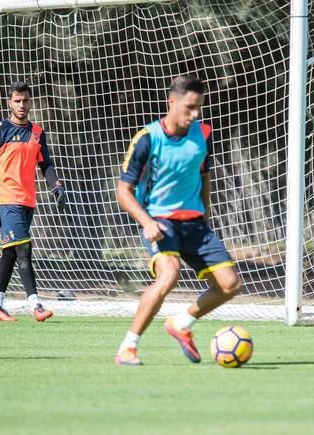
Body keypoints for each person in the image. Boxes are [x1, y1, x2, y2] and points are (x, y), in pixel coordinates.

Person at [115, 75, 242, 366]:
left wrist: (205, 216)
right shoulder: (147, 139)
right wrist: (146, 222)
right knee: (169, 274)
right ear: (171, 102)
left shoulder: (203, 134)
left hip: (195, 224)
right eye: (189, 107)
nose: (195, 114)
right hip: (161, 222)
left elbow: (204, 176)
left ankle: (181, 323)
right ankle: (128, 347)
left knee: (230, 285)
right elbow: (123, 191)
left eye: (198, 108)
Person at [0, 81, 66, 322]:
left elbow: (45, 164)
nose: (22, 105)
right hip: (7, 198)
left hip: (28, 201)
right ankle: (36, 305)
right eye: (17, 100)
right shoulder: (0, 130)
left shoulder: (38, 132)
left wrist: (56, 185)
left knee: (11, 254)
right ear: (9, 103)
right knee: (25, 249)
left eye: (25, 100)